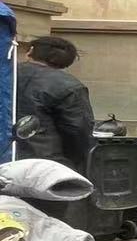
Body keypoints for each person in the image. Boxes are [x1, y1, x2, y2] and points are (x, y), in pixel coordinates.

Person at [15, 35, 95, 174]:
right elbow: (78, 133)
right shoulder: (69, 86)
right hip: (46, 165)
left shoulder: (7, 74)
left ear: (31, 51)